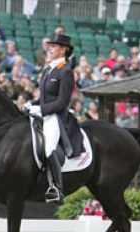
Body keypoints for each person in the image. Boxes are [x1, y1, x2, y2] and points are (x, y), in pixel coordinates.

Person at [25, 34, 84, 204]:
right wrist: (31, 104)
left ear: (64, 49)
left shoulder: (65, 71)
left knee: (49, 148)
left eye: (54, 46)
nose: (49, 48)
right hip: (44, 114)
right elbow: (44, 98)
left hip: (56, 118)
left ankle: (57, 188)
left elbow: (62, 102)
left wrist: (40, 109)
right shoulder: (48, 69)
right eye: (49, 46)